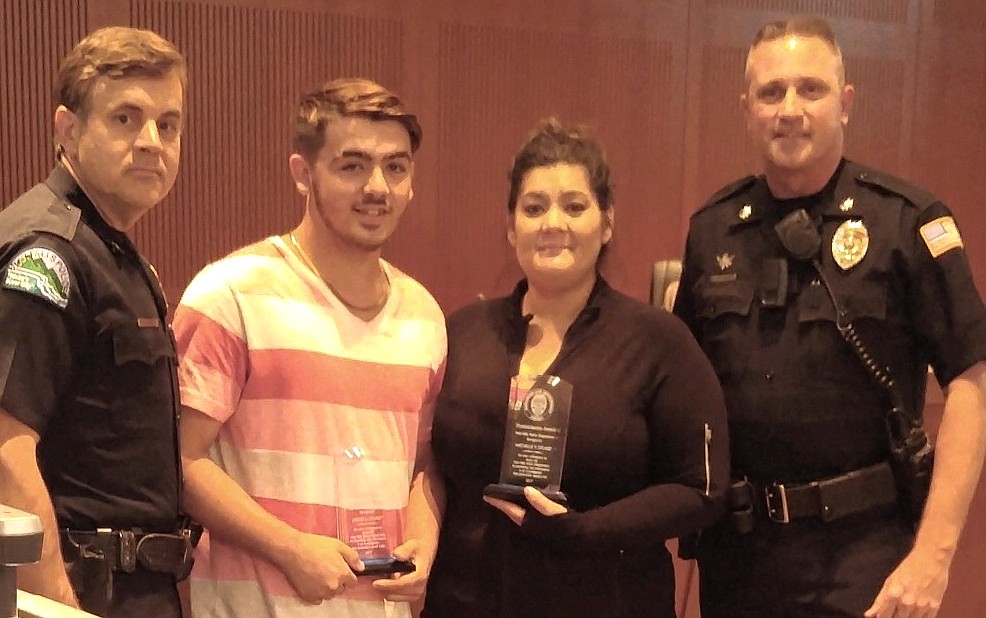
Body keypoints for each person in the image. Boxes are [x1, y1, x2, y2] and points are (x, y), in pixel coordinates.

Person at [673, 16, 986, 618]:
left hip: (866, 560)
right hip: (738, 560)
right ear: (748, 109)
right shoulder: (712, 229)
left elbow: (971, 382)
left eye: (810, 89)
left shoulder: (907, 222)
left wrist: (934, 556)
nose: (789, 108)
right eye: (771, 92)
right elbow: (677, 391)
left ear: (845, 104)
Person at [423, 118, 730, 617]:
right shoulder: (462, 333)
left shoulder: (658, 341)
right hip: (467, 602)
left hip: (607, 599)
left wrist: (583, 532)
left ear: (607, 221)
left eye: (574, 206)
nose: (552, 223)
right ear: (511, 225)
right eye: (534, 207)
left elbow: (701, 489)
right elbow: (429, 464)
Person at [173, 77, 446, 617]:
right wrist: (290, 548)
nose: (378, 187)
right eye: (352, 165)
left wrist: (425, 537)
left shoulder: (425, 316)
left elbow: (421, 465)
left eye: (396, 167)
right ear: (304, 173)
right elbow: (178, 463)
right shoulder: (231, 295)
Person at [0, 26, 193, 617]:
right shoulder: (47, 253)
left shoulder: (113, 253)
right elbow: (5, 448)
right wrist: (59, 605)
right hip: (76, 590)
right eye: (125, 119)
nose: (151, 142)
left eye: (168, 123)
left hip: (131, 587)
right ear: (68, 130)